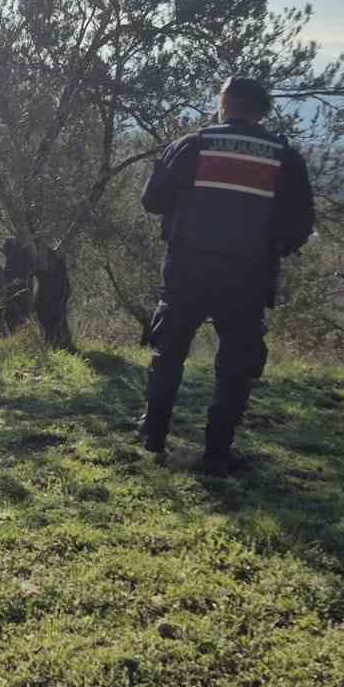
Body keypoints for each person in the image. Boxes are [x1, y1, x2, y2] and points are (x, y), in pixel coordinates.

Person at [138, 77, 314, 477]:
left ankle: (154, 435)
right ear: (262, 112)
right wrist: (270, 248)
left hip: (186, 270)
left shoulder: (192, 145)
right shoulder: (284, 157)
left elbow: (152, 201)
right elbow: (300, 224)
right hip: (248, 276)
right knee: (236, 364)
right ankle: (218, 451)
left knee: (169, 352)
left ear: (225, 104)